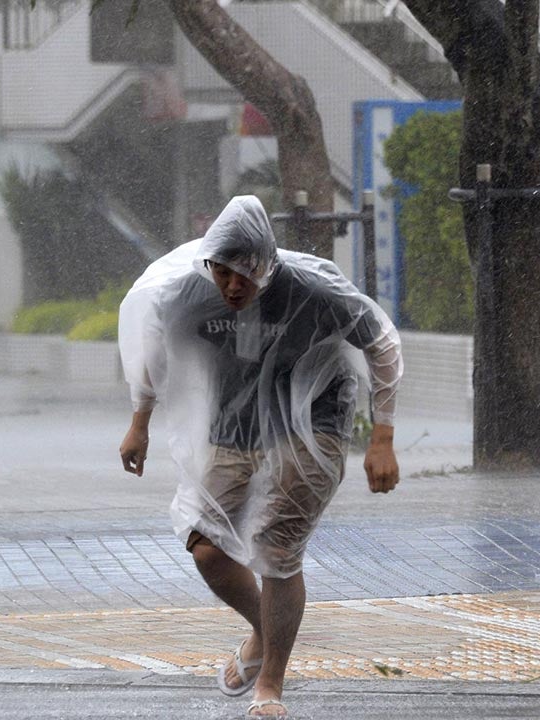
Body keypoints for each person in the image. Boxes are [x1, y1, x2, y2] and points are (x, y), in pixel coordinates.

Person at [117, 195, 403, 717]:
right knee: (206, 546)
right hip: (235, 425)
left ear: (267, 264)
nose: (231, 286)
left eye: (243, 274)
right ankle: (263, 629)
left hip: (314, 423)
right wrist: (140, 424)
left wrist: (381, 437)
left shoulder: (314, 289)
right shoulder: (188, 292)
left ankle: (270, 683)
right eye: (221, 272)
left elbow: (381, 340)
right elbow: (152, 348)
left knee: (275, 547)